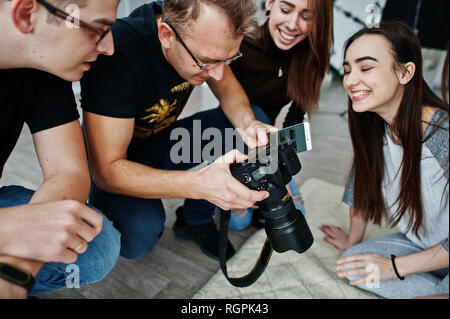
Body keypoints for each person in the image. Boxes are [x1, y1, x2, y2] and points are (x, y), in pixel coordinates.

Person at [79, 0, 273, 262]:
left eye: (226, 60)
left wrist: (248, 123)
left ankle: (194, 220)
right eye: (206, 61)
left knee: (253, 124)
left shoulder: (200, 36)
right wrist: (201, 185)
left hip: (163, 141)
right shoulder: (120, 51)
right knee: (138, 236)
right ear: (166, 35)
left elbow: (227, 89)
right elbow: (107, 172)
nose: (217, 74)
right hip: (113, 158)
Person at [0, 0, 121, 298]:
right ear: (27, 14)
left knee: (97, 246)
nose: (109, 47)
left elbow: (69, 171)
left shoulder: (41, 64)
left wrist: (18, 264)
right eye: (97, 29)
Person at [320, 22, 449, 299]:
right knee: (353, 264)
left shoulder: (443, 136)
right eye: (347, 70)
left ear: (405, 72)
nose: (351, 80)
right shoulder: (376, 125)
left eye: (365, 68)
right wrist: (352, 241)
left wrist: (393, 267)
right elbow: (362, 182)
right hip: (423, 248)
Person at [226, 0, 333, 230]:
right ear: (270, 4)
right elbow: (227, 103)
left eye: (306, 16)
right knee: (239, 221)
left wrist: (280, 168)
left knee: (297, 214)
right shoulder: (242, 43)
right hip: (233, 137)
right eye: (285, 10)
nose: (292, 24)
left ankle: (260, 197)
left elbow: (294, 121)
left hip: (268, 146)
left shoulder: (311, 57)